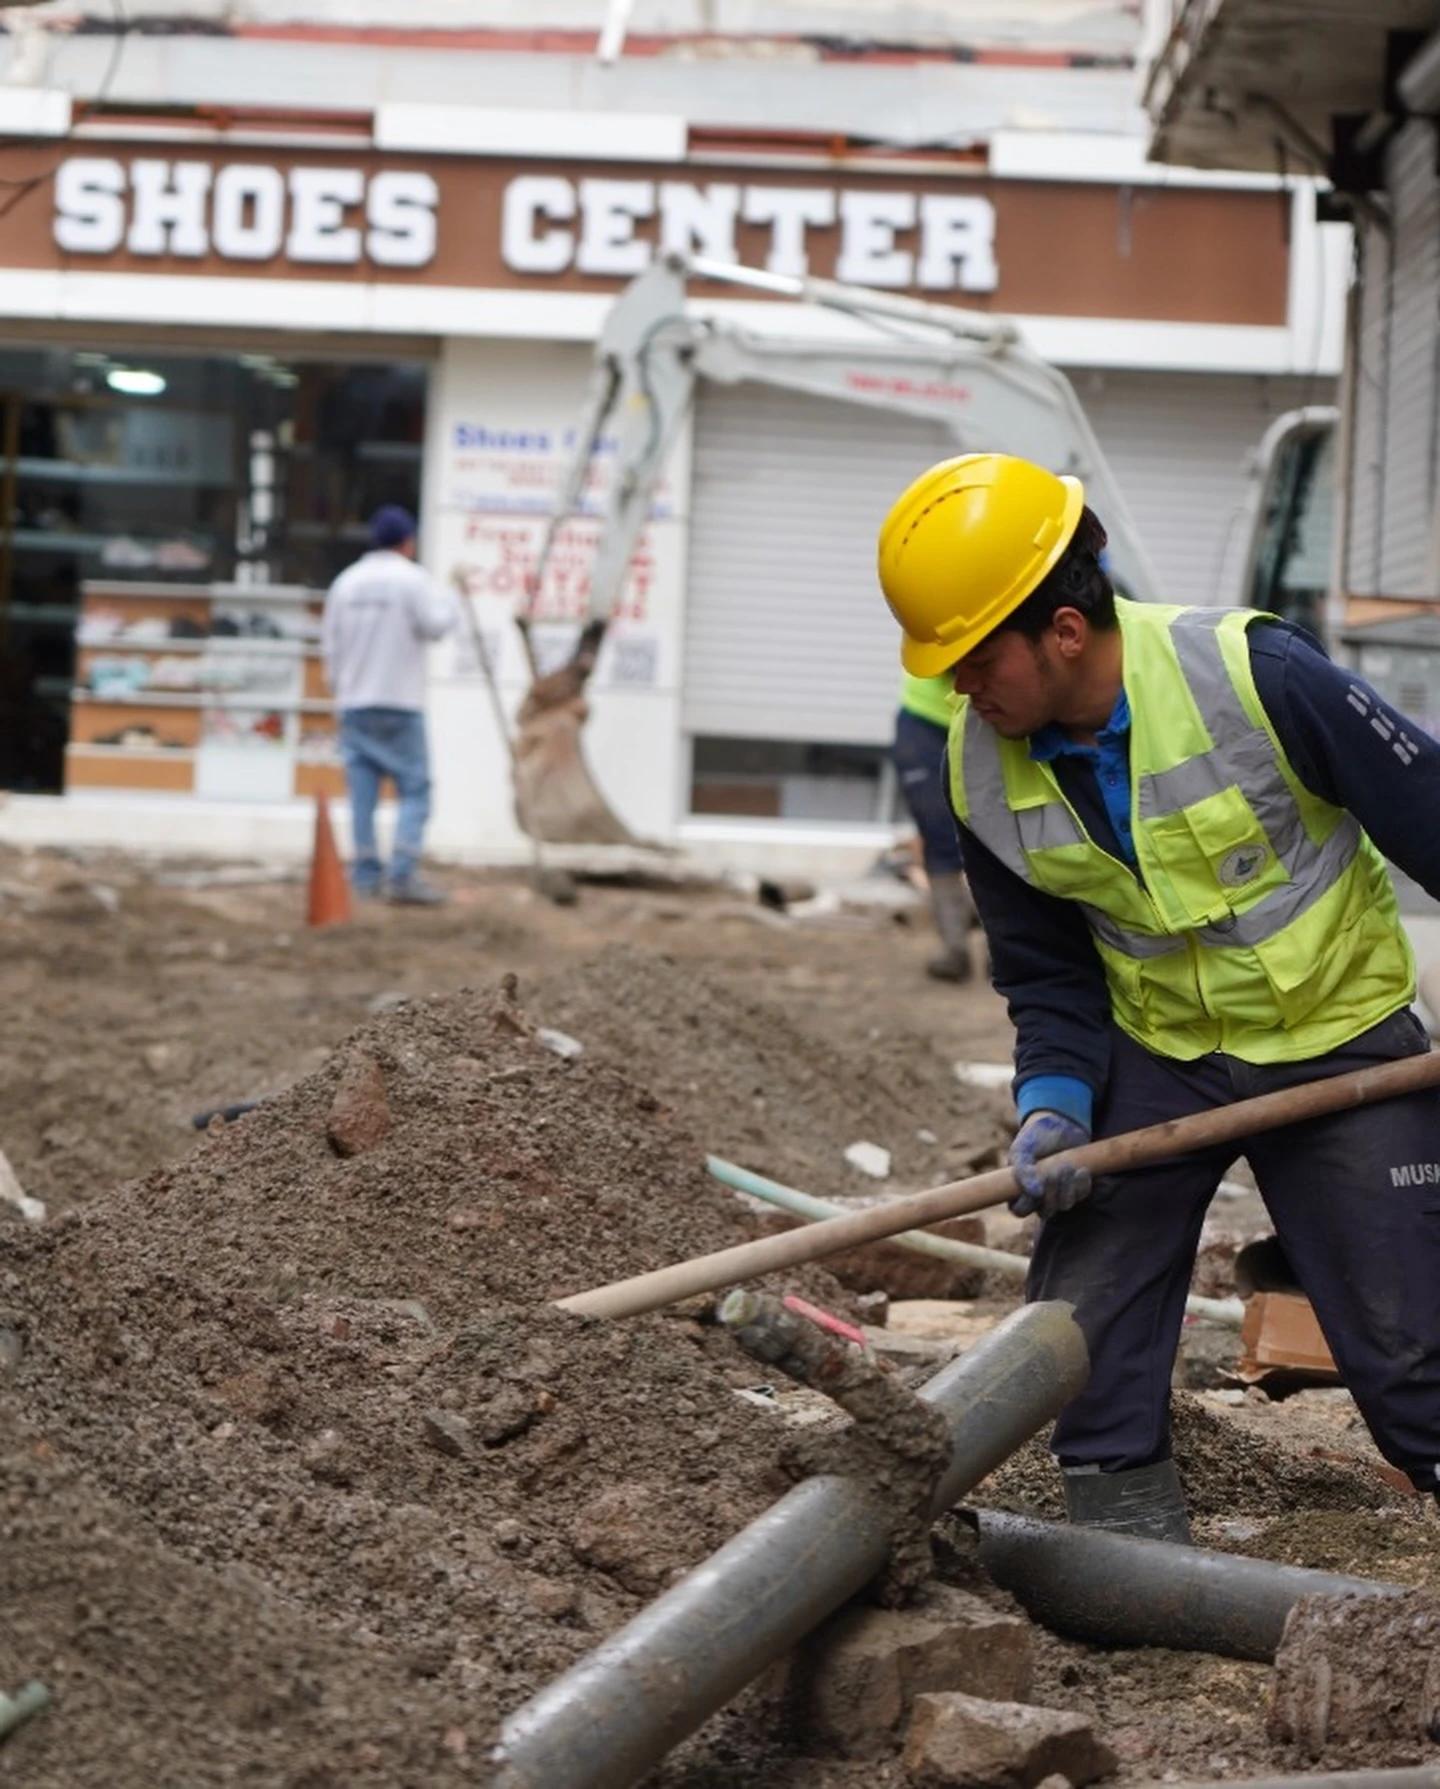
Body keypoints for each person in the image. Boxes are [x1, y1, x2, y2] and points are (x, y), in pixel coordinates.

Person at [876, 450, 1440, 1542]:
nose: (960, 689)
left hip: (1342, 1041)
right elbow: (1047, 971)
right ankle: (1126, 1546)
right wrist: (1052, 1100)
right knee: (1078, 1327)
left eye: (974, 658)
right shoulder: (979, 769)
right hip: (1161, 1053)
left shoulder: (1257, 676)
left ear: (1067, 632)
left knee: (1410, 1348)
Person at [321, 504, 458, 904]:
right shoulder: (413, 581)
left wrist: (340, 694)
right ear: (408, 541)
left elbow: (330, 647)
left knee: (362, 794)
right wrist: (453, 599)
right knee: (415, 789)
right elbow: (436, 626)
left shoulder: (346, 583)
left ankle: (365, 877)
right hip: (400, 701)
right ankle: (402, 873)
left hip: (355, 702)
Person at [893, 671, 981, 980]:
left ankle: (1003, 950)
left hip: (989, 716)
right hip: (926, 719)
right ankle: (955, 948)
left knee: (998, 837)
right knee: (939, 835)